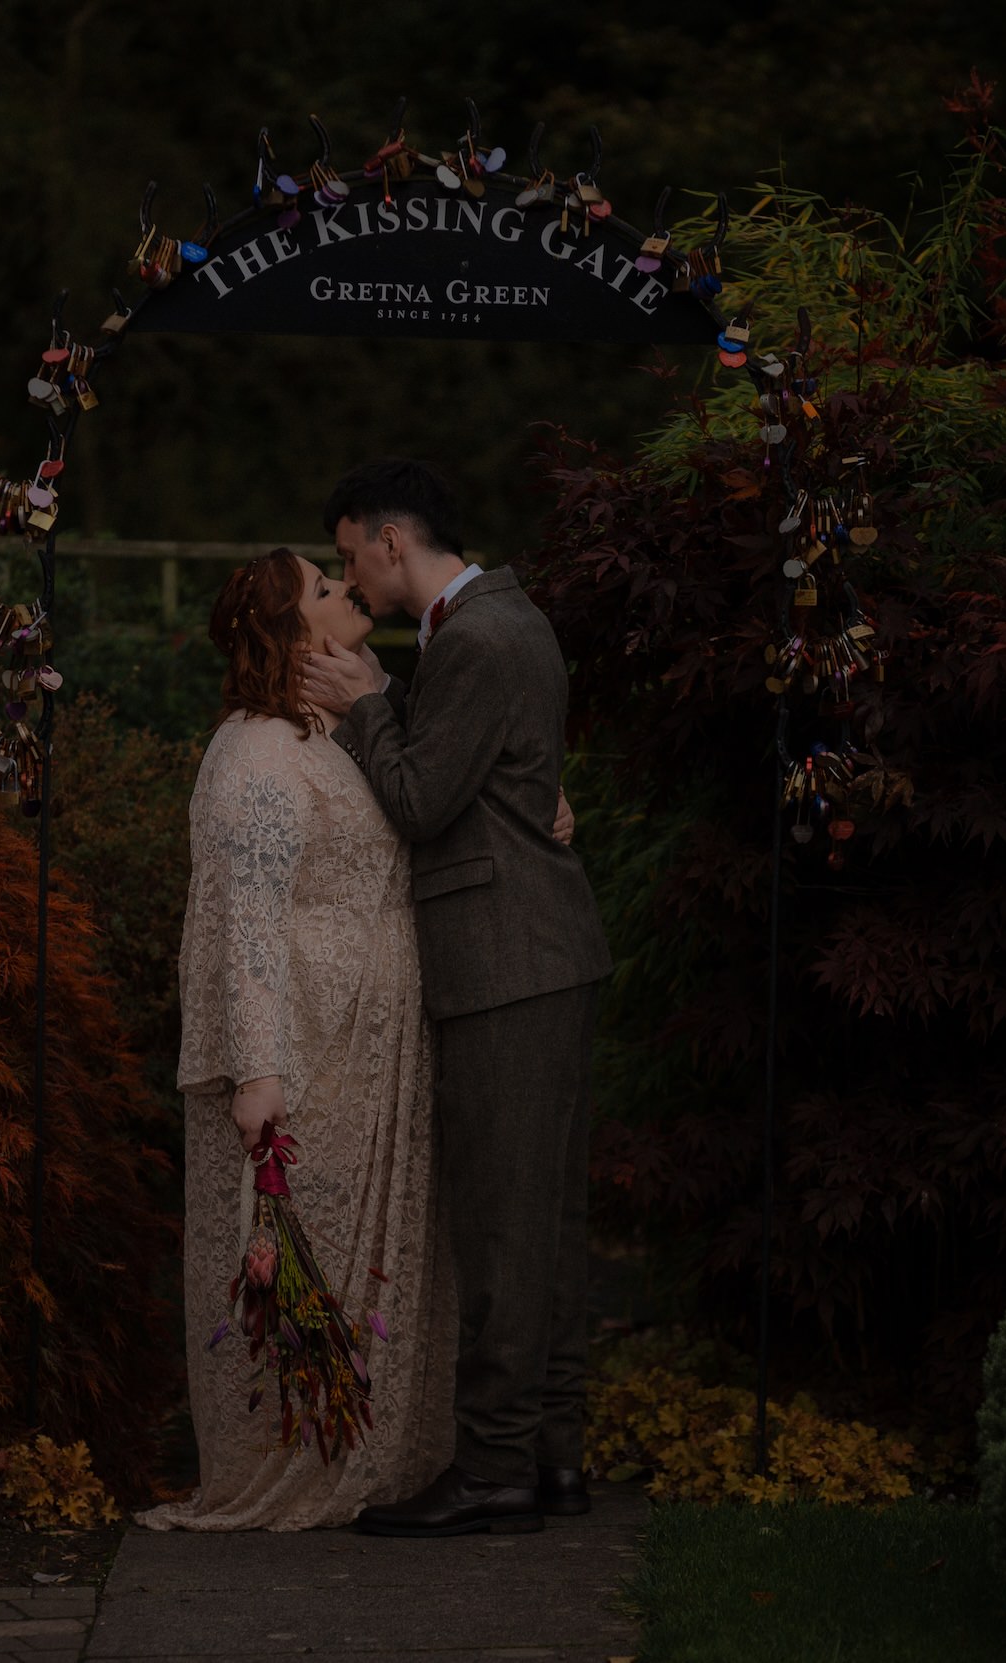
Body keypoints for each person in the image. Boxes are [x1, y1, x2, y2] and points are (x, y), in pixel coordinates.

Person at [299, 458, 614, 1539]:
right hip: (538, 954)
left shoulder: (474, 637)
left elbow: (425, 801)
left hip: (507, 960)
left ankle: (492, 1471)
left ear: (391, 539)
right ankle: (548, 1460)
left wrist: (370, 703)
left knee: (502, 1225)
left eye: (348, 555)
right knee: (543, 1223)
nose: (352, 576)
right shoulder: (496, 620)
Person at [135, 547, 461, 1530]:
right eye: (324, 589)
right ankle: (302, 1467)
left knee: (366, 1269)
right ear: (291, 632)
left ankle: (378, 1460)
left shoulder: (324, 731)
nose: (347, 590)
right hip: (309, 1059)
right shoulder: (258, 756)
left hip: (370, 1054)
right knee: (301, 1263)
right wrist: (258, 1070)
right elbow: (247, 918)